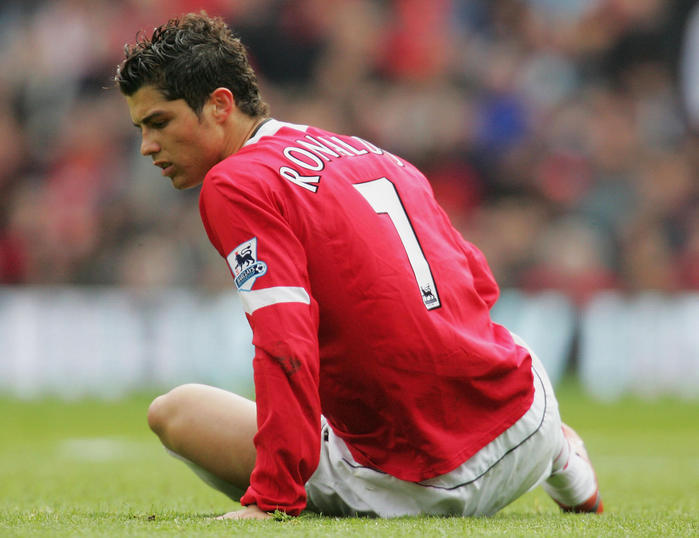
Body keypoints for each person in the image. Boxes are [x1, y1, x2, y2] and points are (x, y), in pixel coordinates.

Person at [115, 12, 603, 520]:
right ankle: (561, 453)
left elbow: (284, 338)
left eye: (159, 122)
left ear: (220, 105)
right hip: (526, 415)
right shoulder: (369, 152)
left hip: (425, 485)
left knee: (174, 413)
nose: (147, 146)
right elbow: (477, 282)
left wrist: (274, 497)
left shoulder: (235, 182)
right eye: (141, 128)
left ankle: (316, 475)